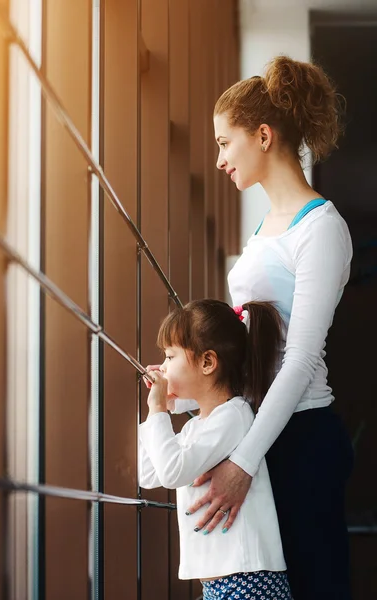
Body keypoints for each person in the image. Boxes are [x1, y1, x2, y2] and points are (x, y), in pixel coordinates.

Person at [171, 56, 354, 599]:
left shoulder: (322, 229)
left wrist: (243, 463)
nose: (221, 159)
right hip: (261, 433)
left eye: (226, 142)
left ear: (264, 135)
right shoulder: (265, 227)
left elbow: (298, 360)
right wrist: (183, 393)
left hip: (300, 437)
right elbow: (249, 349)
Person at [139, 299, 292, 599]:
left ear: (208, 363)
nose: (165, 366)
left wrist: (158, 407)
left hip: (248, 581)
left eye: (170, 356)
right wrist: (160, 411)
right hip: (221, 583)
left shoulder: (233, 417)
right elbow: (149, 474)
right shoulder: (198, 426)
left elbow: (171, 473)